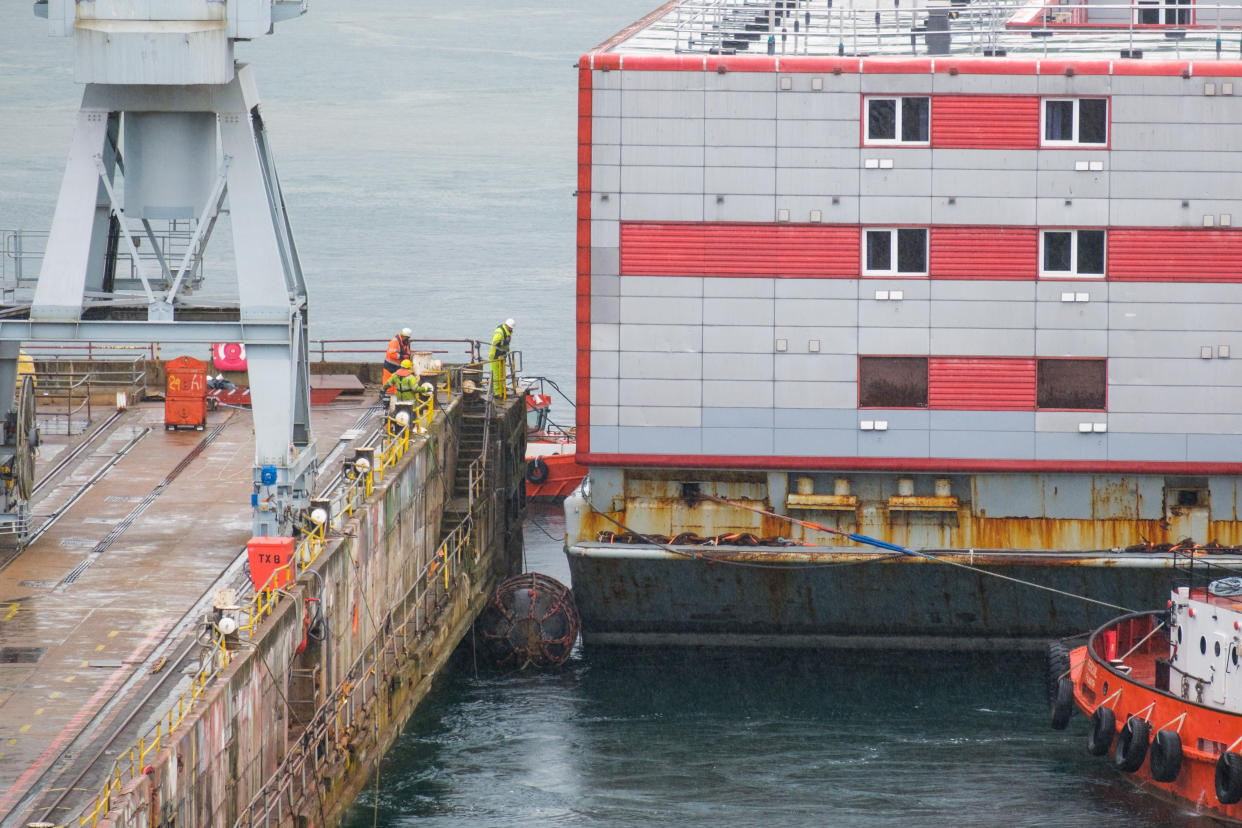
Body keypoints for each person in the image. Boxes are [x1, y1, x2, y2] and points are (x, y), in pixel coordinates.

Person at [489, 318, 514, 396]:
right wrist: (505, 341)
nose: (511, 329)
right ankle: (496, 393)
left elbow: (506, 344)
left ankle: (502, 390)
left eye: (512, 328)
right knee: (496, 375)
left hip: (502, 355)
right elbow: (495, 342)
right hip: (495, 356)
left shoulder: (508, 331)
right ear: (506, 325)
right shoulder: (500, 332)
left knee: (502, 374)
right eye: (510, 327)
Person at [383, 328, 413, 392]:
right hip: (389, 366)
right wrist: (402, 356)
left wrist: (408, 357)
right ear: (403, 336)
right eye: (406, 337)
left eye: (408, 338)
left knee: (396, 385)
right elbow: (392, 354)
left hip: (397, 367)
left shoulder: (405, 342)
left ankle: (394, 398)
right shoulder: (394, 342)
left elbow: (407, 352)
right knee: (388, 385)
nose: (407, 339)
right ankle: (386, 399)